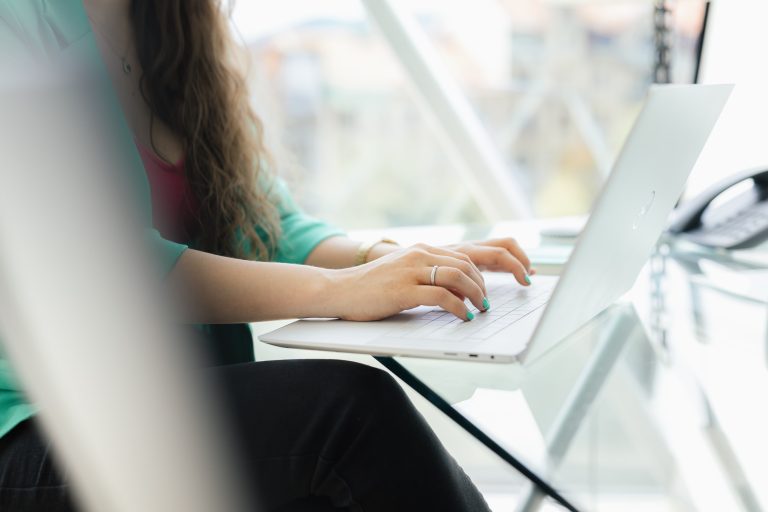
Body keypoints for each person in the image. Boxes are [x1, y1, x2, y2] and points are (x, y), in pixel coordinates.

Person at [0, 1, 535, 510]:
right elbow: (100, 264)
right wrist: (343, 291)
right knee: (350, 413)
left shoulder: (170, 22)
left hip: (159, 401)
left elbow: (268, 224)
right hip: (41, 419)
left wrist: (404, 263)